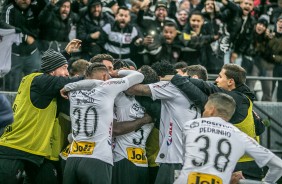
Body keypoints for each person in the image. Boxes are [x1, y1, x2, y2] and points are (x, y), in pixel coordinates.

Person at [0, 39, 82, 184]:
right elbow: (73, 82)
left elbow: (52, 69)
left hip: (35, 151)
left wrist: (65, 54)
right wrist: (103, 75)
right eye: (64, 68)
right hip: (14, 148)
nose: (66, 73)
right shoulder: (41, 81)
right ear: (52, 70)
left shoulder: (37, 80)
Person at [171, 63, 265, 179]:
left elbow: (204, 92)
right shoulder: (245, 99)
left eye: (220, 76)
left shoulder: (235, 100)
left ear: (230, 81)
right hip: (248, 164)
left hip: (240, 168)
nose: (216, 80)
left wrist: (175, 78)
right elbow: (261, 128)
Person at [61, 63, 144, 184]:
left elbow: (83, 83)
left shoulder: (73, 91)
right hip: (97, 158)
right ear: (105, 76)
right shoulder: (107, 87)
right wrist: (118, 73)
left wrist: (69, 86)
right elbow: (138, 76)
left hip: (73, 157)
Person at [174, 93, 282, 184]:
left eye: (205, 109)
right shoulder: (240, 136)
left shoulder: (189, 125)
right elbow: (279, 166)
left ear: (211, 110)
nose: (203, 112)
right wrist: (266, 182)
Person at [126, 61, 202, 184]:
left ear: (160, 79)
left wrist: (123, 74)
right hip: (191, 158)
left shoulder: (170, 87)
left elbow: (132, 90)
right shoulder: (194, 91)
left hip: (175, 159)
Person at [2, 0, 46, 91]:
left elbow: (46, 11)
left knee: (34, 85)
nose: (24, 0)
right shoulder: (9, 9)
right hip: (14, 54)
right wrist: (24, 37)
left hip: (32, 51)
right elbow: (4, 28)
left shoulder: (34, 8)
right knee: (12, 87)